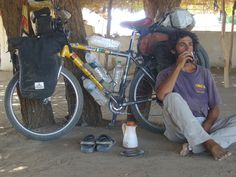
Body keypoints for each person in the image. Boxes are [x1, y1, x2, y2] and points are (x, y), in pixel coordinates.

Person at [155, 30, 236, 161]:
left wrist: (206, 127)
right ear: (173, 51)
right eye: (182, 45)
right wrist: (179, 66)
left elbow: (215, 107)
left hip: (204, 124)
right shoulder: (165, 74)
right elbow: (161, 96)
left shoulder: (204, 73)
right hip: (178, 127)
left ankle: (195, 145)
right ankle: (210, 144)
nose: (188, 48)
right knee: (171, 97)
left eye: (190, 44)